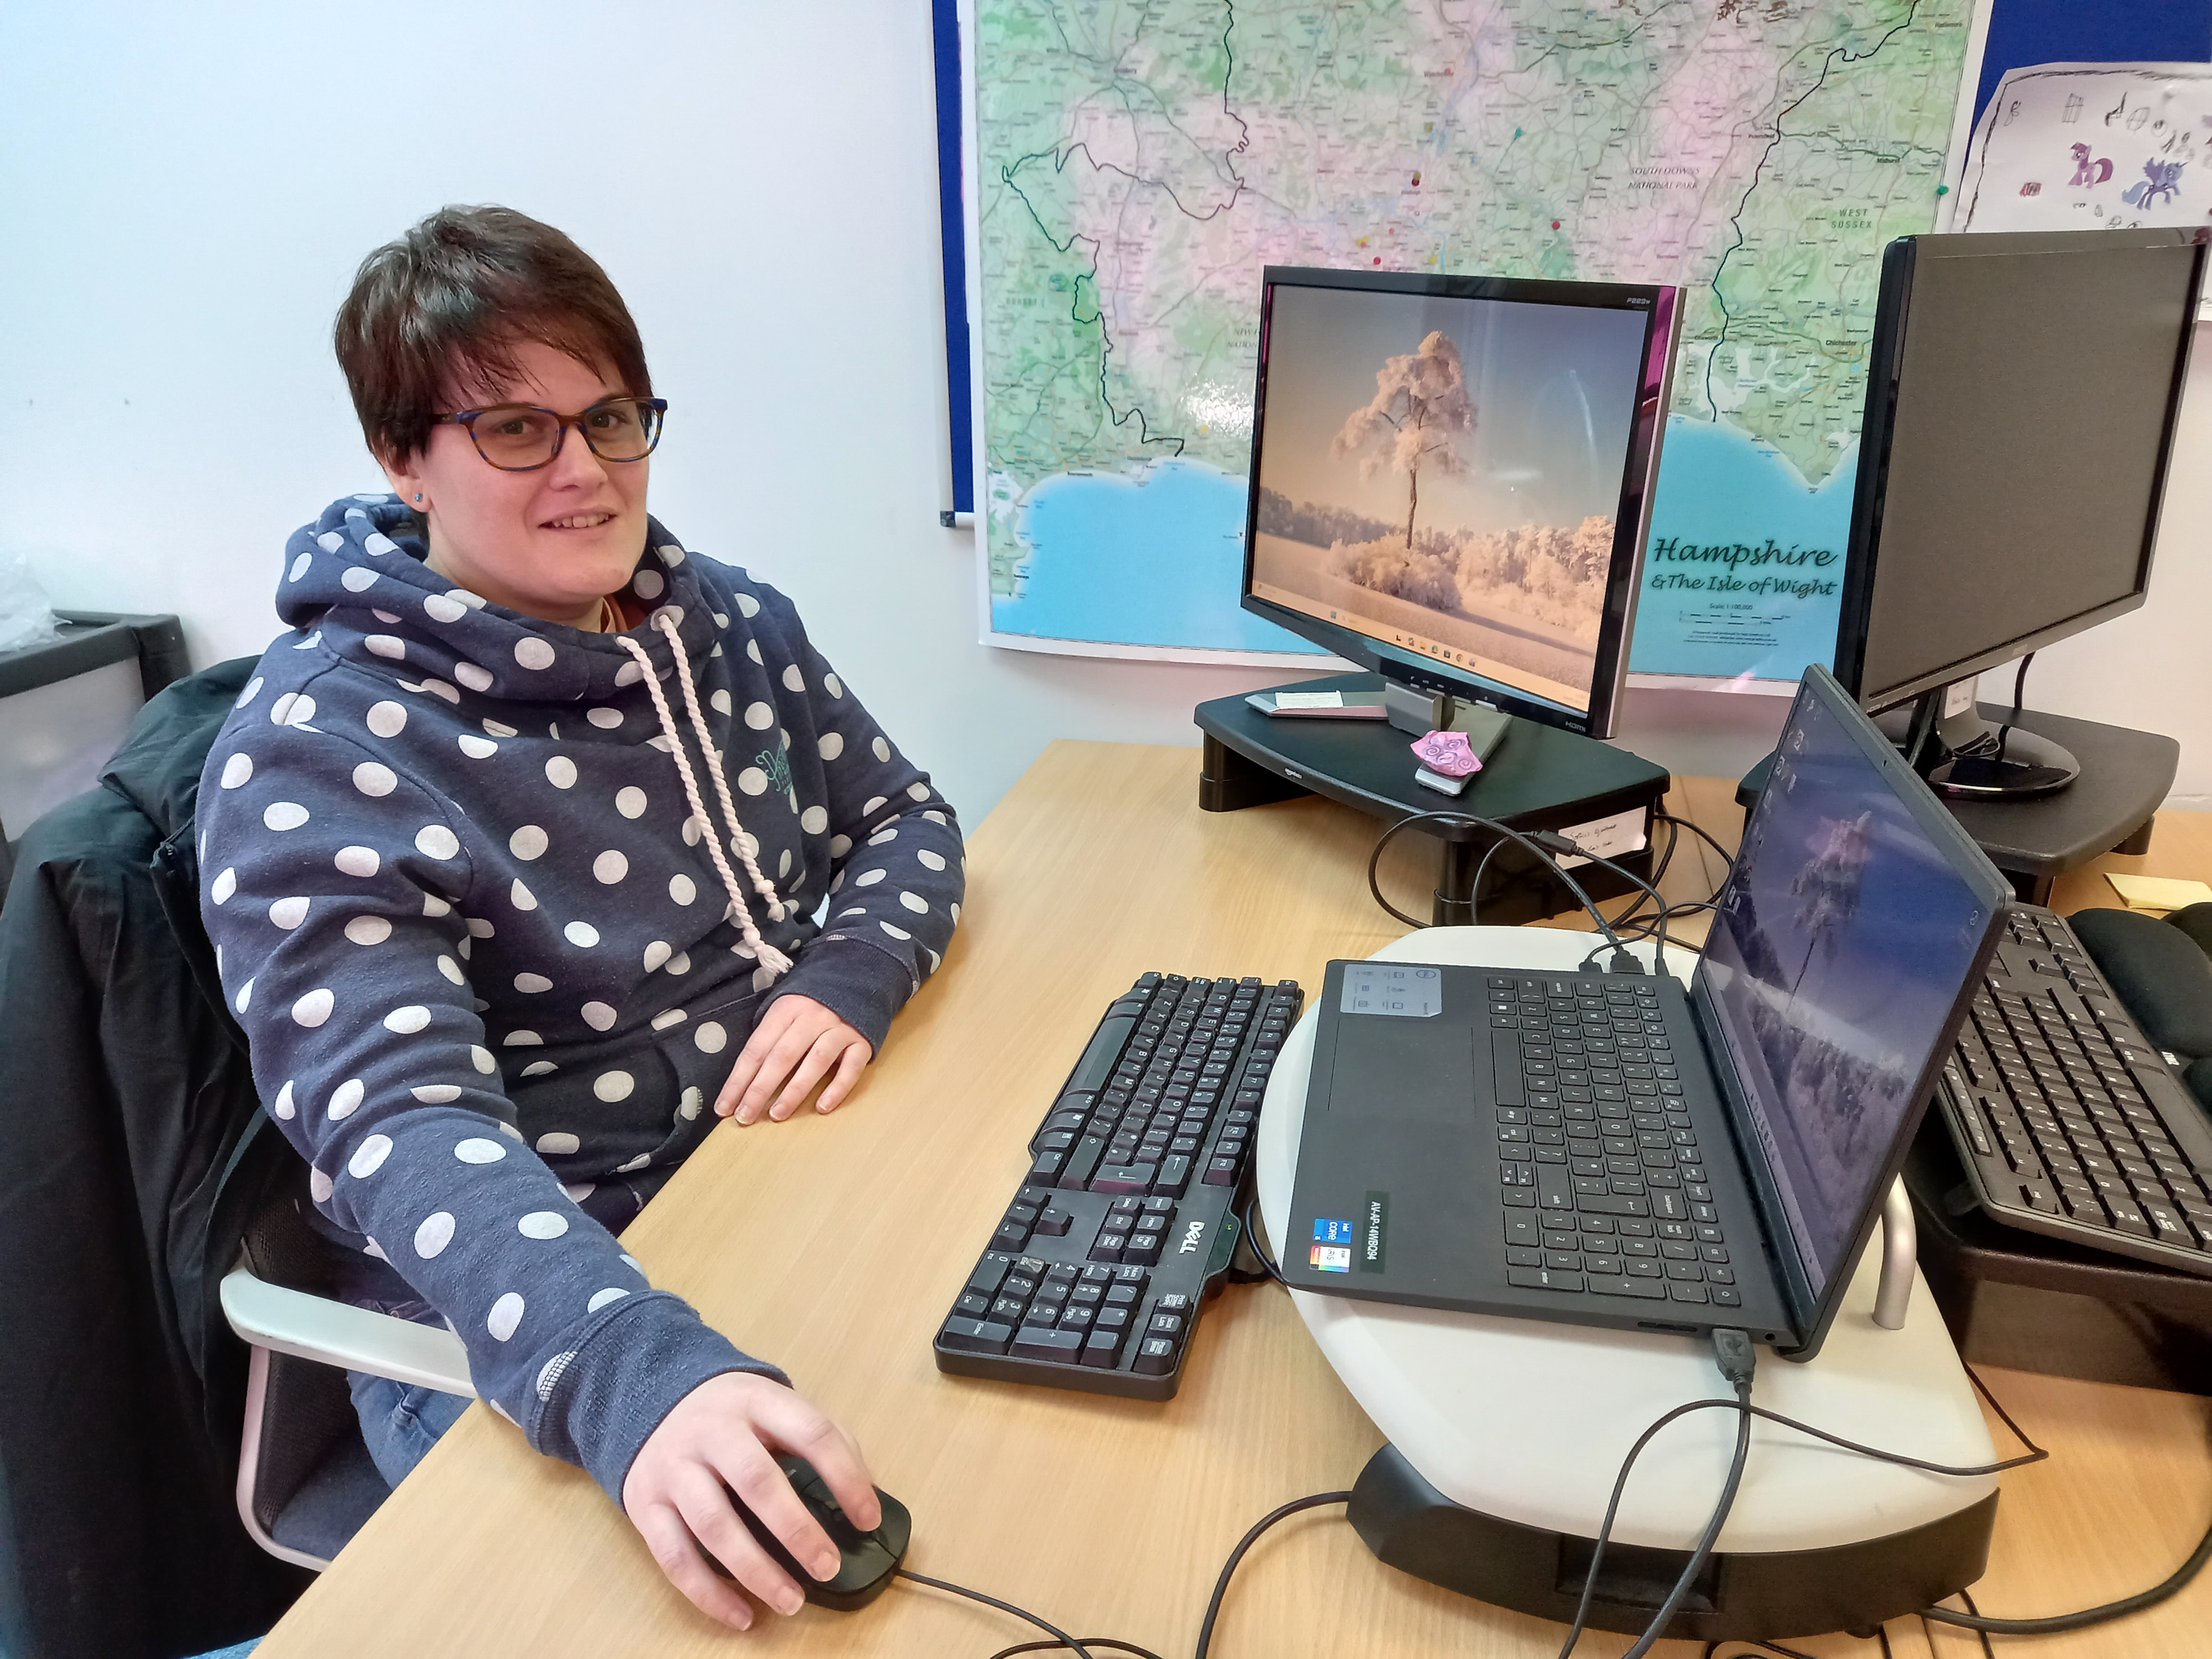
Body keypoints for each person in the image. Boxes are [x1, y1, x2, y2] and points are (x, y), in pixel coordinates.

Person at [196, 205, 964, 1631]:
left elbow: (906, 817)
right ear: (399, 456)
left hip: (773, 1171)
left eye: (610, 418)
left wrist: (846, 975)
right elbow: (399, 1125)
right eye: (514, 432)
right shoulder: (315, 750)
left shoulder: (720, 618)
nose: (588, 472)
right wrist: (627, 1369)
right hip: (524, 1306)